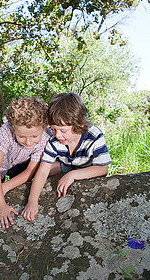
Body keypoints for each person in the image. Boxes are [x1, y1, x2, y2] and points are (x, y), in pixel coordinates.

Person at [21, 92, 111, 221]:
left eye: (63, 130)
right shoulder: (54, 141)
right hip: (66, 165)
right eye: (53, 129)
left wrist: (73, 175)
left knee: (64, 169)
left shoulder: (94, 136)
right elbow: (43, 171)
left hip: (87, 167)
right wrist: (32, 200)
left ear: (80, 124)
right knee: (41, 168)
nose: (57, 135)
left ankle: (70, 171)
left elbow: (103, 169)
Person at [0, 95, 52, 229]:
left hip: (21, 163)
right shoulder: (5, 132)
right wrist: (1, 204)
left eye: (34, 136)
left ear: (44, 128)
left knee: (14, 189)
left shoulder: (45, 137)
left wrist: (6, 187)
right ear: (13, 128)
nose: (28, 142)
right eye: (21, 136)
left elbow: (30, 170)